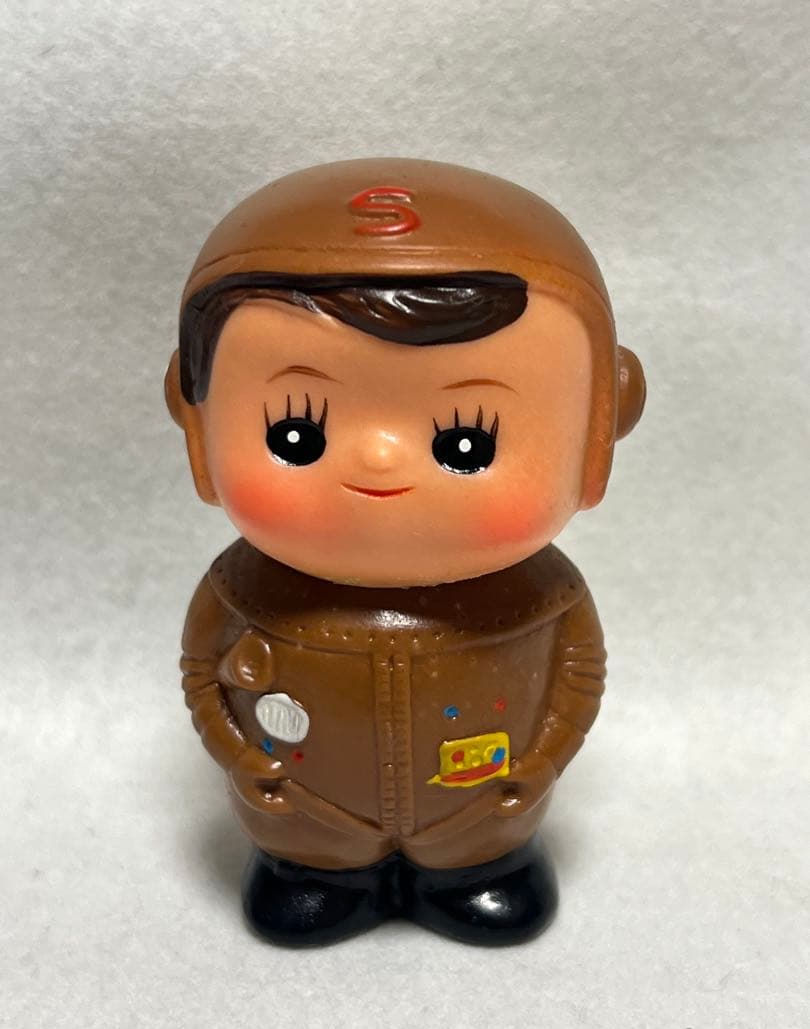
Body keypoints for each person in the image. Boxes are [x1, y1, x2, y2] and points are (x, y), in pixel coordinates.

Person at [165, 158, 645, 945]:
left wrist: (545, 760)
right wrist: (238, 757)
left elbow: (578, 677)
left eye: (466, 443)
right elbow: (201, 676)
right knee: (311, 873)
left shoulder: (545, 597)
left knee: (479, 862)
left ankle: (477, 873)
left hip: (477, 813)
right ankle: (316, 876)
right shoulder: (242, 592)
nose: (380, 459)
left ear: (599, 429)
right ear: (198, 422)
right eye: (296, 433)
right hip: (310, 813)